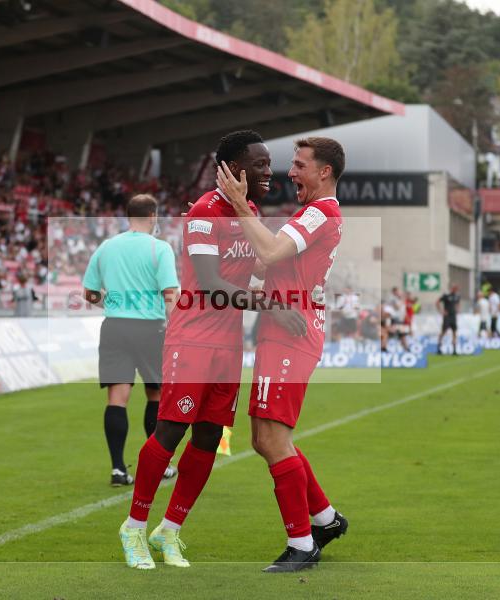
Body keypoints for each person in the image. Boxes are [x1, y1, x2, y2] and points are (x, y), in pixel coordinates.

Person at [118, 131, 305, 570]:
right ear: (232, 168)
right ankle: (133, 527)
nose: (267, 172)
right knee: (170, 432)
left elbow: (257, 265)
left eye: (268, 163)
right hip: (192, 340)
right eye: (259, 164)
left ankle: (171, 530)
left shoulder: (250, 212)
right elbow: (211, 286)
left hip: (227, 344)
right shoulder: (203, 214)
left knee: (207, 437)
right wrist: (270, 306)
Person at [216, 136, 348, 572]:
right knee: (265, 438)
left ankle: (302, 543)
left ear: (323, 171)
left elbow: (269, 252)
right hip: (282, 329)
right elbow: (263, 263)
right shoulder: (311, 213)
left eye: (299, 164)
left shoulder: (318, 212)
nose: (291, 172)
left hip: (292, 334)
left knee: (272, 439)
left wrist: (239, 205)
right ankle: (325, 520)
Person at [82, 194, 180, 487]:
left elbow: (89, 294)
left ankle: (117, 469)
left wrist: (112, 305)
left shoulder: (106, 247)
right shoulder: (159, 249)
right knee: (156, 396)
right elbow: (170, 294)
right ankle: (159, 465)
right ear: (152, 216)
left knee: (117, 398)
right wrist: (174, 329)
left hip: (114, 327)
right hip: (150, 329)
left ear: (128, 216)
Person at [436, 284, 461, 355]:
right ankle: (439, 348)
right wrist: (441, 311)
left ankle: (454, 350)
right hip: (447, 317)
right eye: (455, 289)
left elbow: (458, 303)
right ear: (452, 289)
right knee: (443, 332)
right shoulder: (446, 296)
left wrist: (458, 309)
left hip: (453, 316)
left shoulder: (457, 296)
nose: (456, 291)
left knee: (454, 333)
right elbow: (437, 302)